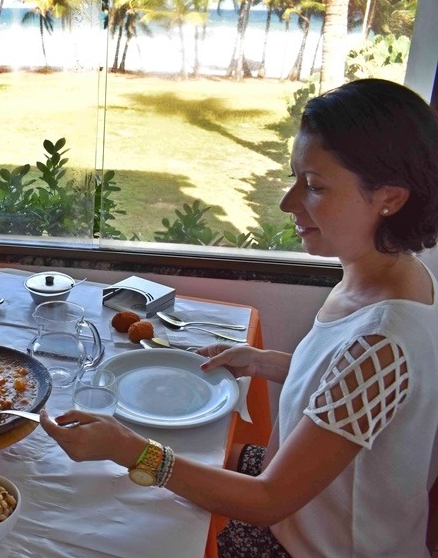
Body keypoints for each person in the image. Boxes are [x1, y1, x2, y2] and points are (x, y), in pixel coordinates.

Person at [40, 78, 438, 557]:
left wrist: (130, 450)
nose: (288, 202)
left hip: (306, 542)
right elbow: (354, 388)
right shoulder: (392, 274)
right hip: (294, 501)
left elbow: (269, 500)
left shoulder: (381, 340)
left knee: (110, 521)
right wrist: (268, 361)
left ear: (389, 198)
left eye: (313, 186)